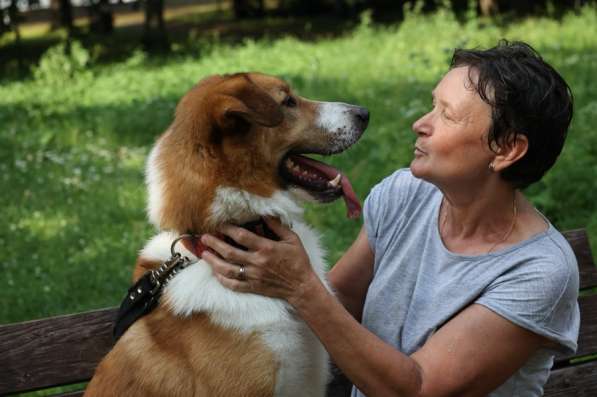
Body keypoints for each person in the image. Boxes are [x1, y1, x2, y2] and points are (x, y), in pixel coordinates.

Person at [200, 40, 580, 397]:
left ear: (507, 149)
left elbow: (419, 388)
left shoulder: (539, 272)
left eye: (446, 114)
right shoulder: (407, 194)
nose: (420, 123)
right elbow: (343, 298)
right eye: (433, 105)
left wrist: (301, 286)